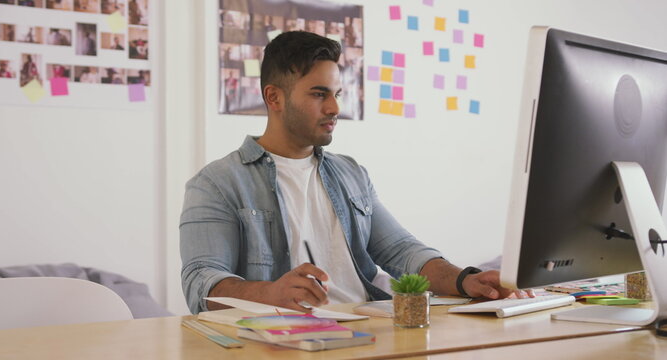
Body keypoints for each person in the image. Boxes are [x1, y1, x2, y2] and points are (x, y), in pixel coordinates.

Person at [179, 31, 530, 315]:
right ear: (274, 98)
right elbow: (201, 281)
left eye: (337, 94)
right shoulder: (217, 183)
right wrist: (270, 293)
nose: (334, 108)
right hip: (284, 340)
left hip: (371, 329)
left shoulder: (351, 173)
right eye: (319, 94)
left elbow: (401, 250)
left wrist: (466, 280)